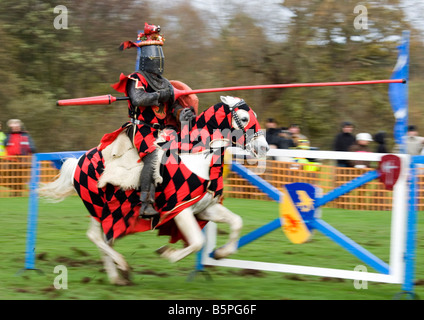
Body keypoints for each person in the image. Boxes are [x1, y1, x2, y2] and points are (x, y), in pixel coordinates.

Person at [103, 23, 196, 218]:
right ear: (144, 55)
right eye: (153, 52)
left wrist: (182, 114)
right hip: (141, 129)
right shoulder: (135, 79)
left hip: (161, 130)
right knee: (153, 156)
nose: (157, 57)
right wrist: (162, 94)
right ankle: (146, 203)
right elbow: (138, 99)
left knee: (184, 152)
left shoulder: (165, 83)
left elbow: (172, 107)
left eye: (159, 52)